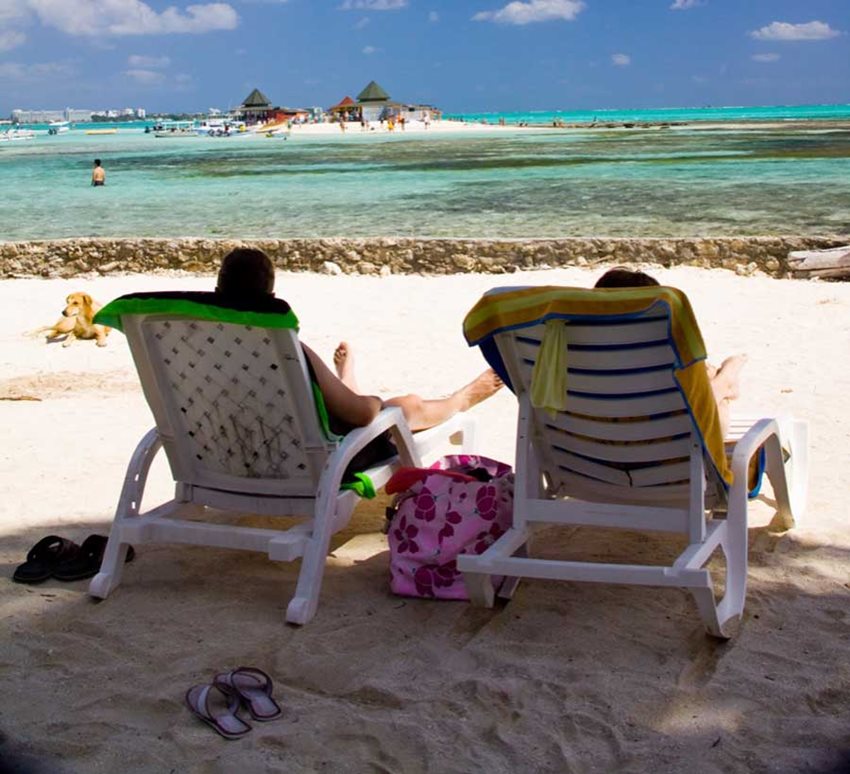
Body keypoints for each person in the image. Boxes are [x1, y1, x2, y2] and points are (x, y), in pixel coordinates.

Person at [215, 248, 503, 433]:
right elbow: (360, 415)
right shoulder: (285, 347)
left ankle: (346, 378)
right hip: (316, 460)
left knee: (346, 403)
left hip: (231, 452)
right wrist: (376, 402)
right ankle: (460, 400)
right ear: (271, 298)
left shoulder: (190, 351)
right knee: (405, 406)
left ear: (217, 291)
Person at [594, 267, 746, 434]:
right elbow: (704, 415)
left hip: (587, 452)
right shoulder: (666, 353)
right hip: (669, 452)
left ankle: (724, 380)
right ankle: (726, 378)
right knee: (713, 390)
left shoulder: (575, 356)